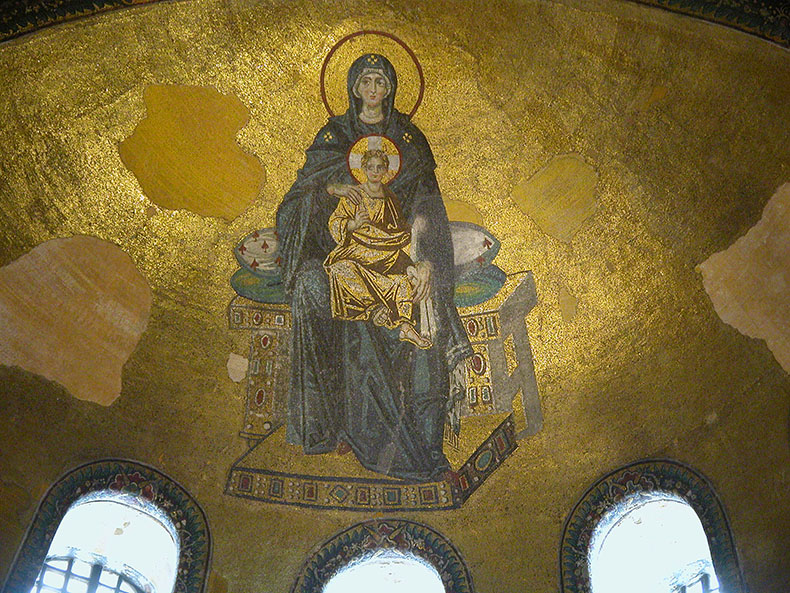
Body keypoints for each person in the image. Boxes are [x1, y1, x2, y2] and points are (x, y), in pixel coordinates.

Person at [276, 53, 472, 482]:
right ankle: (326, 427)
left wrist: (426, 262)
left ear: (391, 88)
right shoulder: (333, 137)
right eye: (365, 81)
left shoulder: (411, 139)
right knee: (312, 287)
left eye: (380, 82)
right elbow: (295, 204)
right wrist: (332, 187)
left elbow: (428, 210)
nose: (372, 90)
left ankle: (425, 443)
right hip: (344, 255)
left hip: (400, 255)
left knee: (426, 304)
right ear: (352, 87)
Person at [324, 149, 430, 349]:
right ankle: (373, 309)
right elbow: (335, 222)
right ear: (363, 169)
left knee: (401, 281)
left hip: (385, 250)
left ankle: (406, 327)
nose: (374, 171)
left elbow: (397, 228)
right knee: (340, 268)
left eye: (379, 167)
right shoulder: (354, 194)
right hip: (358, 250)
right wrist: (353, 225)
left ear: (386, 171)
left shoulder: (390, 198)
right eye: (370, 167)